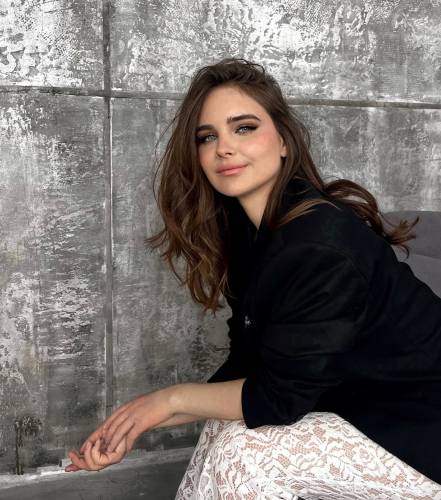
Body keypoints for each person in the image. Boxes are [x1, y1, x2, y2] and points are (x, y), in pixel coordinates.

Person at [65, 58, 441, 498]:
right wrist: (133, 422)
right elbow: (251, 368)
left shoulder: (320, 243)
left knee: (244, 452)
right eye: (207, 137)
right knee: (225, 427)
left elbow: (278, 397)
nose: (224, 148)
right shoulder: (252, 236)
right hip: (372, 408)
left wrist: (167, 401)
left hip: (424, 427)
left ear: (283, 140)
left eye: (244, 128)